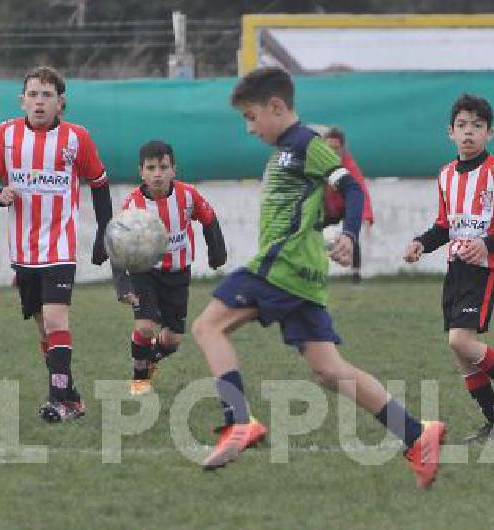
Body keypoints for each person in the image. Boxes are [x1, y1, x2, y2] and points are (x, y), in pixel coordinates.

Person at [190, 66, 445, 489]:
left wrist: (347, 233)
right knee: (328, 370)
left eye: (251, 117)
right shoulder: (286, 149)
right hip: (302, 273)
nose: (249, 129)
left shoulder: (306, 143)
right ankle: (417, 435)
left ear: (276, 107)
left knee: (207, 326)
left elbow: (353, 189)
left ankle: (238, 421)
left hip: (281, 265)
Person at [404, 93, 494, 443]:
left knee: (461, 340)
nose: (469, 132)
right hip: (457, 267)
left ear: (490, 133)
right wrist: (422, 242)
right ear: (450, 132)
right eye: (462, 126)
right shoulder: (446, 175)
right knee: (459, 348)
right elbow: (444, 225)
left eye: (477, 126)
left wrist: (490, 243)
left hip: (486, 268)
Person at [0, 66, 113, 422]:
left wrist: (103, 232)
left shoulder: (77, 138)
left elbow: (99, 182)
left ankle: (57, 400)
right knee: (43, 326)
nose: (39, 102)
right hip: (23, 250)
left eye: (47, 95)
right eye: (33, 95)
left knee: (56, 318)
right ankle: (72, 396)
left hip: (60, 245)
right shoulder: (4, 134)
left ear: (60, 103)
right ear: (22, 100)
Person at [112, 140, 227, 396]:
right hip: (144, 272)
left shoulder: (187, 196)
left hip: (177, 274)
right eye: (151, 168)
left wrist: (217, 253)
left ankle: (151, 357)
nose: (157, 174)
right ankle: (140, 377)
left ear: (174, 169)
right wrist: (122, 284)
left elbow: (209, 219)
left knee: (172, 340)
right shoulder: (132, 206)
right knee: (145, 326)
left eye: (163, 167)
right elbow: (117, 243)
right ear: (140, 171)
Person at [323, 126, 374, 283]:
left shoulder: (349, 166)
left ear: (342, 148)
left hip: (344, 206)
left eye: (336, 148)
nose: (332, 152)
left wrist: (366, 217)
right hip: (327, 208)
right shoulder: (317, 161)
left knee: (352, 233)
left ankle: (355, 273)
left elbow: (360, 191)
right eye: (328, 147)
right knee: (310, 229)